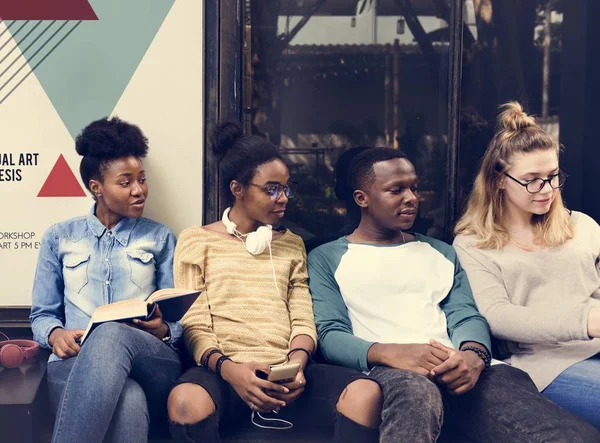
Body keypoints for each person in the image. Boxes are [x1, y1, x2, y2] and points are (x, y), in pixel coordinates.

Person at [308, 146, 600, 442]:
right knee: (416, 392)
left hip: (463, 370)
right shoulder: (326, 258)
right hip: (391, 373)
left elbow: (466, 315)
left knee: (575, 436)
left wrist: (474, 356)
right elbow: (331, 334)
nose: (411, 198)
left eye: (414, 188)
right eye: (396, 190)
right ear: (362, 199)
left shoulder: (440, 251)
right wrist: (391, 353)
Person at [166, 122, 382, 443]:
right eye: (271, 189)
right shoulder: (196, 240)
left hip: (288, 372)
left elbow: (302, 317)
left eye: (285, 188)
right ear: (238, 189)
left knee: (365, 392)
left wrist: (297, 363)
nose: (283, 198)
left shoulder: (291, 243)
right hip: (224, 372)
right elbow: (195, 325)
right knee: (184, 401)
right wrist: (231, 370)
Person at [30, 117, 182, 443]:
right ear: (96, 187)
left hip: (150, 360)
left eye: (142, 179)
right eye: (125, 183)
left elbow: (180, 319)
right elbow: (42, 314)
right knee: (129, 400)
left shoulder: (160, 238)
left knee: (111, 332)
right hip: (73, 363)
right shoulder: (59, 237)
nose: (139, 190)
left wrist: (165, 329)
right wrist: (55, 334)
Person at [454, 102, 600, 429]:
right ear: (499, 180)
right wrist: (587, 320)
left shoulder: (583, 226)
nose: (547, 189)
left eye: (552, 176)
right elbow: (497, 315)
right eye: (532, 180)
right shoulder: (472, 243)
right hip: (544, 363)